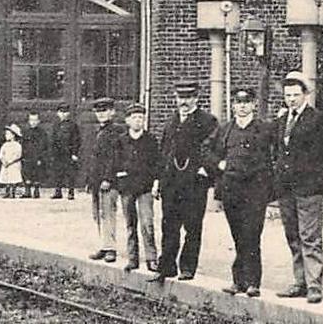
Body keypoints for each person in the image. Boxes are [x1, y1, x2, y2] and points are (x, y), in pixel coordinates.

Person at [273, 71, 323, 304]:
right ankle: (299, 281)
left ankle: (314, 285)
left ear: (305, 95)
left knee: (310, 236)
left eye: (296, 95)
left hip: (308, 188)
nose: (291, 99)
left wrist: (318, 179)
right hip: (286, 188)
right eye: (287, 95)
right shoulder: (281, 121)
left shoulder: (318, 120)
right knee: (293, 235)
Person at [209, 87, 273, 297]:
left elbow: (274, 155)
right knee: (238, 236)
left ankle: (253, 282)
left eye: (247, 102)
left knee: (252, 234)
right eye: (238, 102)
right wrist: (218, 164)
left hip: (255, 190)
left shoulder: (264, 129)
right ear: (233, 105)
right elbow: (207, 150)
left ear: (254, 104)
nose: (242, 106)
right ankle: (239, 282)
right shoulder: (226, 129)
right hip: (231, 190)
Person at [155, 82, 219, 282]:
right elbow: (164, 153)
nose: (184, 101)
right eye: (180, 97)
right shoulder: (171, 122)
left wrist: (204, 171)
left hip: (193, 184)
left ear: (197, 98)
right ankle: (167, 265)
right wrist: (158, 181)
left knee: (192, 226)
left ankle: (188, 267)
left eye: (188, 97)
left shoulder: (208, 121)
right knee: (169, 226)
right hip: (171, 184)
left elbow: (213, 150)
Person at [111, 102, 160, 272]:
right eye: (135, 117)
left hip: (145, 188)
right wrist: (120, 176)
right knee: (130, 224)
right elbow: (115, 163)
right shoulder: (121, 141)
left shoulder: (151, 140)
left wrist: (155, 183)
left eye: (141, 117)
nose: (139, 121)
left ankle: (152, 258)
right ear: (128, 121)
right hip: (127, 188)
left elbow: (156, 164)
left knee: (147, 223)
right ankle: (133, 258)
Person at [84, 98, 125, 261]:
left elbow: (114, 158)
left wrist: (108, 178)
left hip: (108, 180)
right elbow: (93, 158)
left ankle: (111, 248)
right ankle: (104, 244)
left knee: (108, 213)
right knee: (98, 214)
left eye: (105, 111)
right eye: (98, 112)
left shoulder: (116, 131)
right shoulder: (97, 131)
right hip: (96, 179)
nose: (101, 115)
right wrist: (89, 179)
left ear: (112, 112)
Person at [48, 102, 81, 201]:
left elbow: (76, 140)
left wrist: (75, 153)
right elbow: (53, 139)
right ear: (58, 113)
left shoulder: (73, 125)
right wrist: (53, 152)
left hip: (68, 153)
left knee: (70, 173)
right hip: (58, 153)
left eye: (65, 112)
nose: (63, 114)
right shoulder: (56, 125)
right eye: (61, 112)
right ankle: (58, 191)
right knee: (58, 172)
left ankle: (71, 192)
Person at [20, 112, 47, 199]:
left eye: (35, 120)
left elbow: (43, 145)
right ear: (28, 121)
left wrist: (40, 157)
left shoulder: (42, 133)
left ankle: (36, 190)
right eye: (31, 120)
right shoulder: (26, 132)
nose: (33, 122)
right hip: (28, 156)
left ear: (39, 121)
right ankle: (27, 191)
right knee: (27, 173)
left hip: (37, 156)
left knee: (37, 173)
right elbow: (23, 144)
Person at [0, 124, 25, 198]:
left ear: (13, 135)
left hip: (13, 164)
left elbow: (18, 155)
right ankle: (7, 192)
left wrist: (10, 161)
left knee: (13, 178)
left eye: (8, 134)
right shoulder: (5, 145)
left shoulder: (17, 145)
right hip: (6, 164)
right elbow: (1, 154)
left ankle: (12, 192)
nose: (6, 135)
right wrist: (3, 160)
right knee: (7, 178)